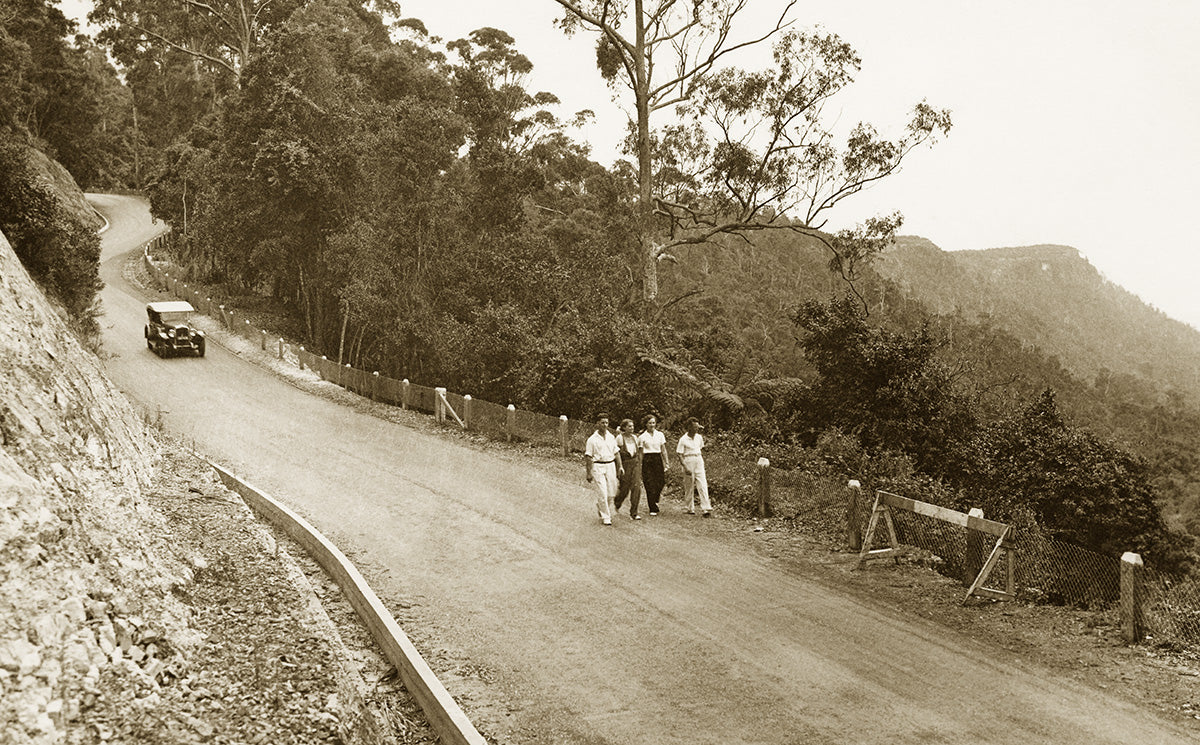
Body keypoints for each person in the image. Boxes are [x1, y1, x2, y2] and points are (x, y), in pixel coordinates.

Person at [584, 413, 623, 525]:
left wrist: (620, 466)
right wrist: (588, 473)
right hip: (598, 466)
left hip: (610, 465)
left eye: (606, 422)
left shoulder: (611, 437)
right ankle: (606, 517)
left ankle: (601, 506)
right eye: (602, 423)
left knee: (611, 493)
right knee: (602, 492)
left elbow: (616, 453)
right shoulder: (592, 439)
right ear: (597, 424)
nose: (605, 425)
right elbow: (588, 456)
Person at [675, 417, 712, 517]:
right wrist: (685, 466)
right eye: (695, 427)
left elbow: (701, 448)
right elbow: (679, 454)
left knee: (702, 483)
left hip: (698, 459)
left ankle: (706, 508)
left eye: (697, 427)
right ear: (689, 428)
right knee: (689, 485)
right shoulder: (683, 439)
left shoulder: (699, 437)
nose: (697, 429)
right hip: (688, 460)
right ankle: (689, 507)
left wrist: (699, 461)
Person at [637, 414, 669, 516]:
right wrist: (639, 464)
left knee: (661, 481)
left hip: (657, 458)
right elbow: (641, 452)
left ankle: (655, 497)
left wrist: (666, 462)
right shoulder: (642, 437)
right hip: (647, 460)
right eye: (650, 423)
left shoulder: (660, 435)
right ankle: (652, 507)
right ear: (646, 424)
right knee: (649, 483)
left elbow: (663, 450)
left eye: (653, 423)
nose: (652, 425)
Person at [613, 418, 643, 519]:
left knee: (636, 487)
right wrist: (618, 467)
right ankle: (617, 503)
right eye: (629, 426)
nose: (631, 428)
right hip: (624, 465)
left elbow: (638, 452)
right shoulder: (619, 438)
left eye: (632, 426)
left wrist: (639, 464)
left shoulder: (635, 438)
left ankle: (634, 512)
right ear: (624, 427)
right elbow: (616, 454)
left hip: (635, 464)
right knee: (624, 489)